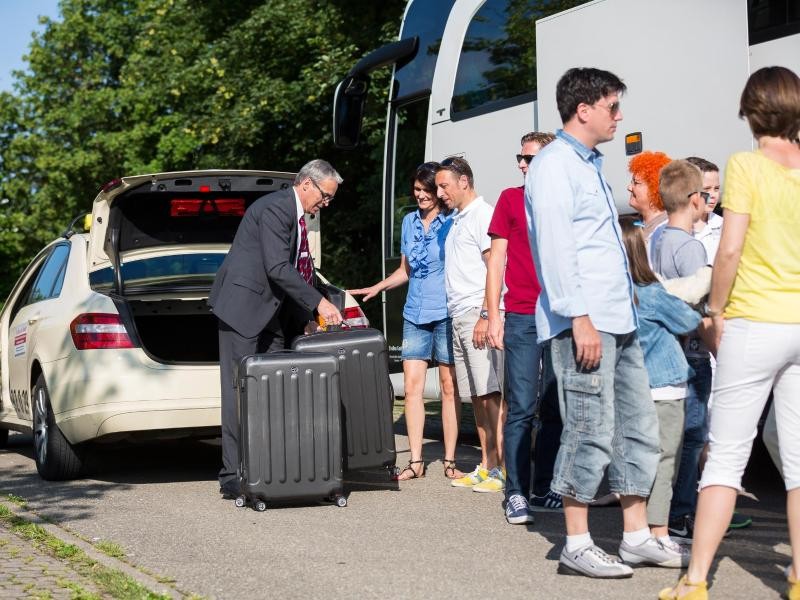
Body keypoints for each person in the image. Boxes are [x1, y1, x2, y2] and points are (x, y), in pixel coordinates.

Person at [660, 66, 800, 600]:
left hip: (753, 322)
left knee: (725, 456)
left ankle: (695, 581)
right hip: (798, 323)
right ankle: (796, 578)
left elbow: (730, 249)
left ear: (753, 109)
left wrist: (714, 309)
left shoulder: (747, 165)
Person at [526, 67, 659, 579]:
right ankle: (576, 543)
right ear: (584, 110)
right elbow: (557, 249)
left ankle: (636, 536)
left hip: (618, 318)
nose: (618, 116)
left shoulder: (589, 164)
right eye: (612, 107)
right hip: (584, 320)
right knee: (588, 428)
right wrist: (578, 316)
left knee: (635, 428)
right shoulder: (555, 165)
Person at [208, 159, 344, 499]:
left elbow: (301, 269)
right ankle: (232, 477)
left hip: (271, 315)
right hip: (243, 311)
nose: (326, 204)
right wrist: (319, 304)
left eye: (330, 199)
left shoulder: (298, 218)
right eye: (325, 196)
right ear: (307, 184)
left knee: (278, 389)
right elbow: (278, 268)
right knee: (239, 394)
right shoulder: (275, 209)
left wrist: (305, 316)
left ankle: (270, 468)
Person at [349, 162, 463, 481]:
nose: (421, 196)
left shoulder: (452, 222)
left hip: (445, 313)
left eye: (427, 190)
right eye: (417, 190)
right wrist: (378, 286)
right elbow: (406, 270)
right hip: (414, 313)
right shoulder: (409, 221)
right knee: (412, 389)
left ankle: (451, 460)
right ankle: (415, 461)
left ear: (439, 192)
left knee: (448, 388)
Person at [480, 131, 558, 523]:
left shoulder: (562, 200)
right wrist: (493, 315)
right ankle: (516, 493)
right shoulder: (510, 200)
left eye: (529, 158)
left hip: (560, 316)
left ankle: (544, 487)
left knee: (555, 407)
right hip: (523, 316)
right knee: (523, 407)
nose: (521, 164)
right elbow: (496, 262)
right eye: (520, 157)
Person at [619, 215, 702, 568]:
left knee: (640, 461)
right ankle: (660, 534)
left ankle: (642, 531)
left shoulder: (617, 297)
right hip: (666, 388)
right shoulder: (651, 293)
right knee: (666, 463)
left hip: (634, 388)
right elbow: (689, 322)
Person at [652, 160, 714, 545]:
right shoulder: (690, 248)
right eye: (707, 195)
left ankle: (661, 511)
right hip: (690, 356)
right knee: (691, 438)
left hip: (661, 356)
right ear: (694, 199)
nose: (709, 200)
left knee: (666, 439)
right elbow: (699, 310)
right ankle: (680, 514)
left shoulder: (656, 238)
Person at [435, 157, 506, 493]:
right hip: (458, 315)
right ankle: (487, 463)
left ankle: (502, 468)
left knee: (491, 392)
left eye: (444, 185)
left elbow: (495, 266)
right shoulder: (458, 219)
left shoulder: (483, 214)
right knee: (476, 395)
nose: (439, 192)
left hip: (477, 314)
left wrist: (485, 315)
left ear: (464, 181)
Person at [626, 151, 672, 264]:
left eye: (636, 183)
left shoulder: (666, 231)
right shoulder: (636, 224)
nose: (629, 187)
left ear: (654, 189)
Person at [686, 157, 724, 262]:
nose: (713, 195)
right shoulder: (675, 228)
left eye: (716, 189)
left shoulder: (724, 226)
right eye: (706, 189)